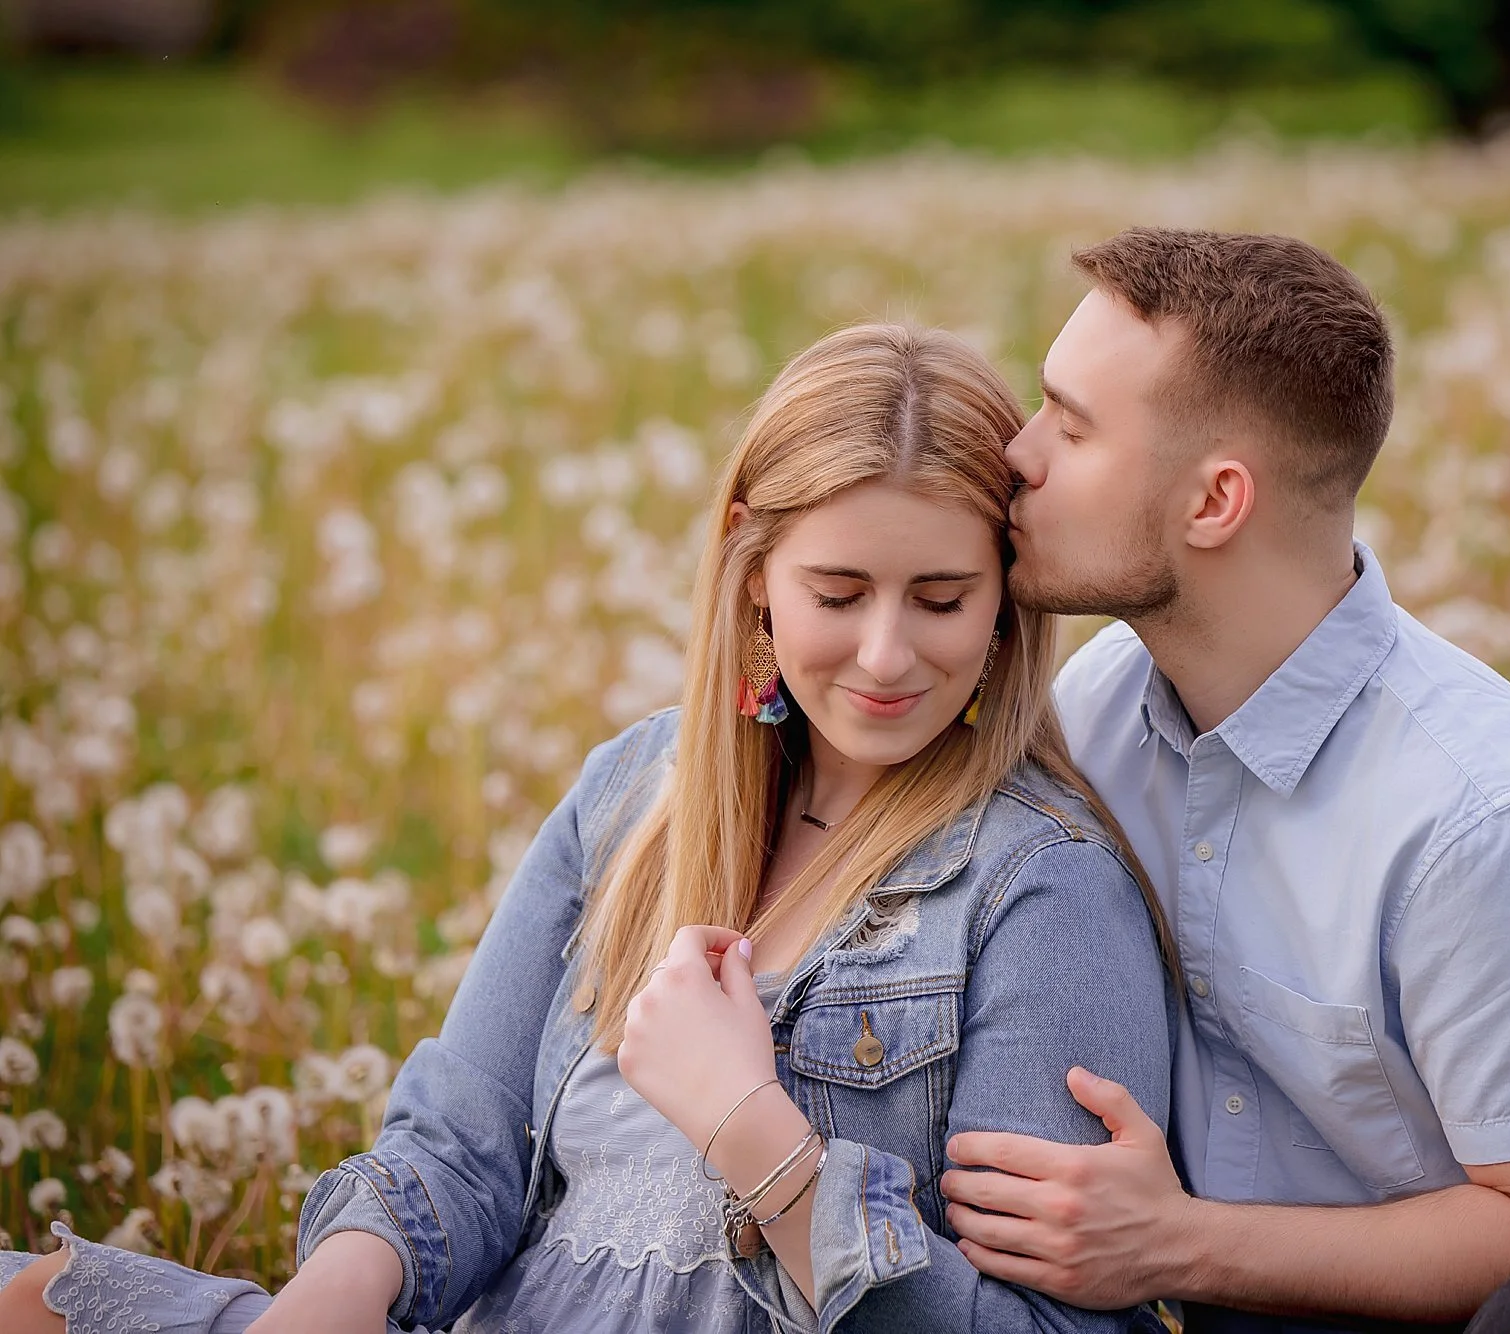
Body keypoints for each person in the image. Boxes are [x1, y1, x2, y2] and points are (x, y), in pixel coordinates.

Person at [0, 323, 1177, 1333]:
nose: (884, 654)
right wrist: (328, 1300)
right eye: (836, 592)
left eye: (940, 598)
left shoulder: (1042, 889)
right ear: (750, 565)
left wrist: (755, 1138)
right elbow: (458, 1147)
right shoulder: (636, 791)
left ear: (1004, 596)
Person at [937, 228, 1510, 1334]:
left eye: (1071, 426)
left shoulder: (1487, 818)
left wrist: (1174, 1241)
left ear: (1214, 502)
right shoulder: (1097, 706)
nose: (1018, 455)